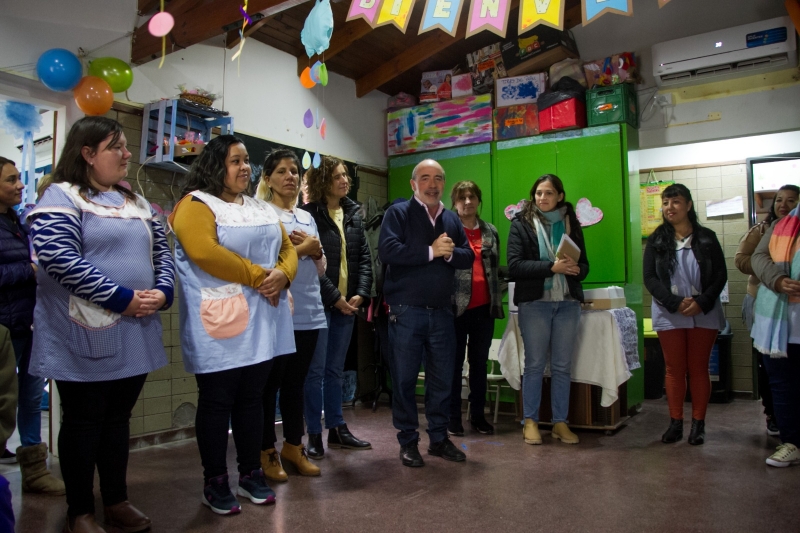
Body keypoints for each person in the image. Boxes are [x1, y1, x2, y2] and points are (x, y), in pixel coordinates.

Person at [28, 117, 175, 533]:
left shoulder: (136, 203)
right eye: (117, 147)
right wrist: (124, 299)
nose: (128, 154)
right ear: (88, 154)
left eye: (126, 146)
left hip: (136, 328)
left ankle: (116, 500)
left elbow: (163, 254)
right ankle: (80, 511)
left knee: (117, 421)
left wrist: (162, 292)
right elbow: (59, 259)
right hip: (84, 328)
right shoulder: (62, 196)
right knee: (83, 423)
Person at [169, 135, 297, 514]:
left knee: (252, 401)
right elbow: (204, 252)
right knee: (217, 401)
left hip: (264, 320)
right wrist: (262, 276)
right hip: (220, 321)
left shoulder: (259, 207)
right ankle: (215, 481)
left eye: (246, 161)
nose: (245, 168)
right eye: (235, 161)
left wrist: (284, 275)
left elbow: (287, 247)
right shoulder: (195, 205)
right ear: (215, 166)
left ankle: (250, 474)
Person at [378, 158, 473, 467]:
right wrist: (432, 251)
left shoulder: (452, 219)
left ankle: (438, 438)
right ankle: (408, 441)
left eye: (439, 178)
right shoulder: (399, 213)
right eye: (426, 178)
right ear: (414, 184)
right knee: (404, 380)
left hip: (442, 312)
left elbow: (467, 257)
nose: (433, 184)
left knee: (442, 380)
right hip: (406, 312)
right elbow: (388, 250)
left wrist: (446, 255)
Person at [255, 150, 326, 480]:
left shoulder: (308, 217)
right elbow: (269, 263)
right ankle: (266, 451)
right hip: (277, 312)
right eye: (281, 171)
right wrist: (305, 248)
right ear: (268, 178)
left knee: (296, 384)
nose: (290, 176)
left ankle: (293, 448)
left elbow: (321, 267)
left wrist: (317, 250)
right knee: (270, 386)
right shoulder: (260, 214)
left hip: (310, 310)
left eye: (295, 171)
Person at [507, 174, 589, 446]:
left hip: (567, 302)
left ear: (560, 197)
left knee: (563, 367)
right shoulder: (521, 223)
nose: (543, 198)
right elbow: (515, 266)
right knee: (534, 365)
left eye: (549, 193)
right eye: (539, 193)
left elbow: (585, 266)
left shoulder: (571, 222)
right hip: (535, 303)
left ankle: (560, 423)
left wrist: (577, 270)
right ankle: (530, 421)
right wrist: (551, 268)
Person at [300, 157, 372, 459]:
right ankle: (314, 434)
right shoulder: (307, 215)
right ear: (322, 181)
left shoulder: (354, 213)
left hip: (347, 305)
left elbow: (365, 259)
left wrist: (361, 294)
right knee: (314, 372)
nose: (345, 180)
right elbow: (311, 266)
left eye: (346, 175)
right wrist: (335, 298)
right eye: (338, 176)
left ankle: (338, 428)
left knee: (335, 371)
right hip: (319, 305)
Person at [643, 184, 726, 446]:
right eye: (665, 203)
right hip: (670, 312)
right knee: (674, 369)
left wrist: (702, 301)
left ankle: (698, 425)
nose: (670, 207)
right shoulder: (656, 240)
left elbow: (720, 275)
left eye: (675, 202)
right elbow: (650, 278)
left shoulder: (707, 238)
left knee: (698, 368)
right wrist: (674, 303)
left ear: (688, 205)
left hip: (705, 310)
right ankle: (675, 423)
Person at [0, 156, 64, 493]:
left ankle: (35, 472)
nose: (20, 185)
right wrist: (29, 270)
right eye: (11, 180)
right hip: (4, 330)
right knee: (3, 400)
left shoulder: (18, 221)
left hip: (30, 322)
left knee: (28, 395)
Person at [735, 185, 799, 437]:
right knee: (768, 362)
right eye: (779, 200)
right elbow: (742, 259)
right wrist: (772, 272)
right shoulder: (763, 230)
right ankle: (773, 414)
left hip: (793, 308)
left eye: (791, 200)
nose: (783, 205)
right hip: (763, 302)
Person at [447, 181, 504, 436]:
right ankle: (452, 418)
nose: (467, 202)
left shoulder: (490, 231)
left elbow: (496, 270)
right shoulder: (448, 230)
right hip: (455, 309)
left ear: (478, 200)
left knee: (479, 364)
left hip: (484, 308)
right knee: (454, 364)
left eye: (472, 197)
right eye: (462, 197)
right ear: (455, 202)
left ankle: (478, 416)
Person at [750, 200, 800, 467]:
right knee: (782, 386)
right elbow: (759, 257)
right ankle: (791, 442)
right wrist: (778, 280)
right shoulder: (781, 225)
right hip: (779, 325)